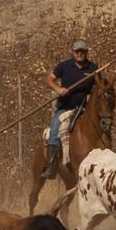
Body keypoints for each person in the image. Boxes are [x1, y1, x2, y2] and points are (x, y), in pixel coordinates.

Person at [42, 39, 99, 180]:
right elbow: (48, 79)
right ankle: (51, 166)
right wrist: (58, 89)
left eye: (82, 51)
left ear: (86, 52)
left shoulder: (93, 68)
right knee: (55, 129)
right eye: (77, 51)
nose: (79, 54)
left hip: (84, 109)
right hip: (65, 108)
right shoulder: (64, 66)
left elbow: (99, 85)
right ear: (72, 52)